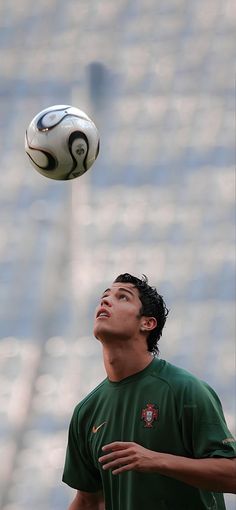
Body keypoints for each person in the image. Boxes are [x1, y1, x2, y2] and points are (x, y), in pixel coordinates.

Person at [62, 273, 236, 510]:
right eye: (104, 297)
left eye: (122, 297)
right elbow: (88, 501)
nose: (105, 301)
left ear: (147, 323)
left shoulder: (184, 390)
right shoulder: (87, 410)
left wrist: (157, 460)